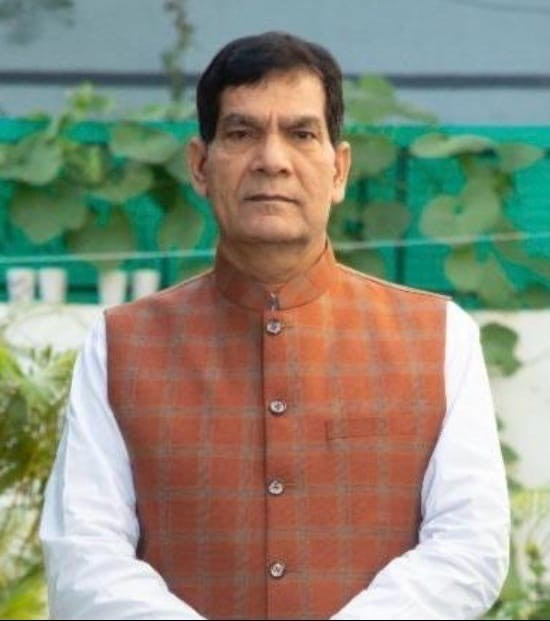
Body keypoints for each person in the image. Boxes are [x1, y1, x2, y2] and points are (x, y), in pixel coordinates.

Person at [40, 31, 510, 620]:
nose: (272, 160)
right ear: (200, 166)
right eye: (241, 133)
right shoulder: (121, 346)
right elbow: (84, 554)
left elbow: (469, 545)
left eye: (301, 133)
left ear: (339, 170)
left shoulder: (439, 338)